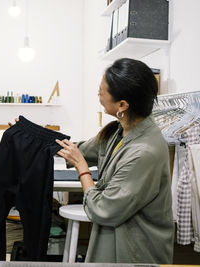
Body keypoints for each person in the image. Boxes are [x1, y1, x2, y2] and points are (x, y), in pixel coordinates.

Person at [56, 58, 174, 263]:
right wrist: (31, 136)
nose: (99, 95)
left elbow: (104, 209)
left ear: (122, 104)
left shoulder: (144, 152)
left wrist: (82, 168)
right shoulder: (119, 132)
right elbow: (79, 149)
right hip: (118, 239)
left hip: (136, 250)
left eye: (102, 91)